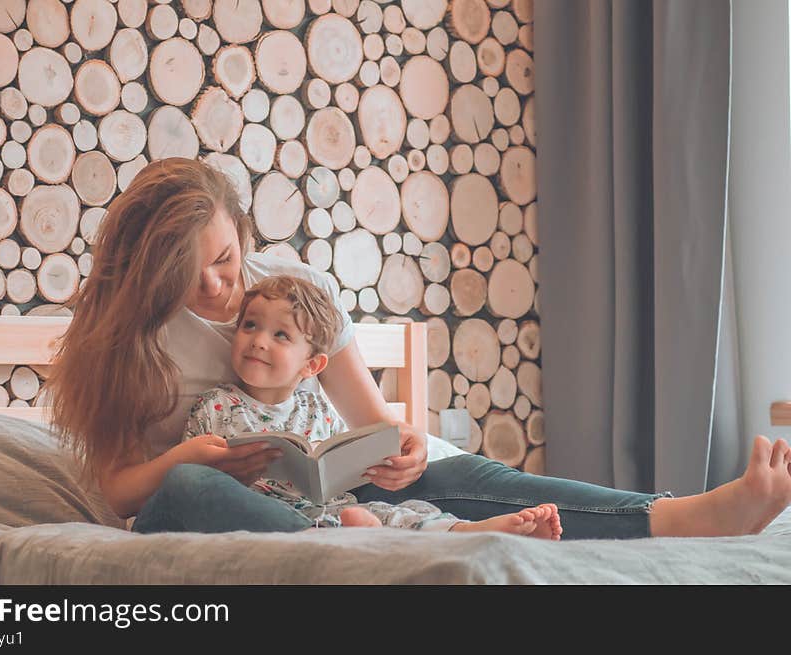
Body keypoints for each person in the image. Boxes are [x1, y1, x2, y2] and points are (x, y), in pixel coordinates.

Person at [48, 157, 791, 540]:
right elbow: (120, 490)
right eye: (194, 273)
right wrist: (192, 456)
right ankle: (370, 546)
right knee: (186, 493)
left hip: (332, 493)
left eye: (226, 254)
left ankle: (683, 516)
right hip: (216, 499)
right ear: (152, 274)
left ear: (240, 229)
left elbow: (373, 423)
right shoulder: (125, 343)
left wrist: (400, 446)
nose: (224, 282)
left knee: (461, 469)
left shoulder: (293, 290)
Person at [184, 274, 563, 538]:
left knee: (401, 511)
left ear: (311, 366)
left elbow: (339, 466)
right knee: (342, 519)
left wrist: (370, 466)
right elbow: (192, 483)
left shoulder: (318, 408)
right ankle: (353, 540)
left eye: (280, 334)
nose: (259, 341)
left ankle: (470, 531)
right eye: (250, 326)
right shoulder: (216, 406)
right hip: (264, 515)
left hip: (331, 509)